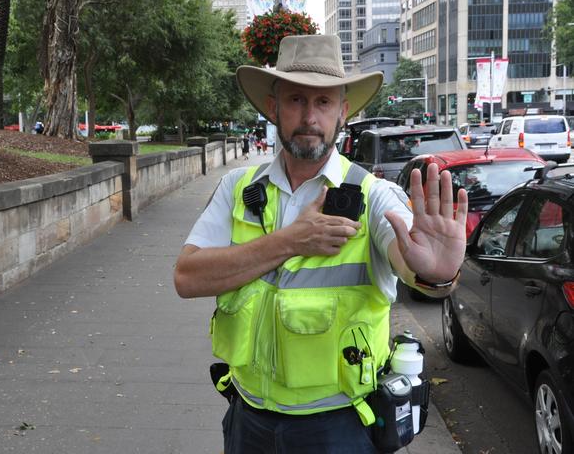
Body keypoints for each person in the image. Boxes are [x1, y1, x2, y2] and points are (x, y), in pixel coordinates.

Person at [174, 35, 467, 453]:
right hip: (249, 419)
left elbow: (413, 265)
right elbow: (186, 278)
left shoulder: (374, 194)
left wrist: (437, 273)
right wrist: (290, 241)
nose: (310, 116)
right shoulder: (236, 188)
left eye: (324, 102)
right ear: (273, 107)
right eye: (296, 100)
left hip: (339, 428)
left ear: (343, 112)